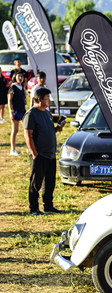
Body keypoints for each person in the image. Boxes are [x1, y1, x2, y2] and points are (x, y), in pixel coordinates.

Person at [23, 87, 65, 215]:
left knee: (49, 183)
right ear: (39, 99)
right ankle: (34, 208)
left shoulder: (47, 112)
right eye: (47, 98)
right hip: (39, 154)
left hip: (50, 154)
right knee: (36, 183)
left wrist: (58, 128)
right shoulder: (31, 114)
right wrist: (35, 154)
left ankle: (48, 206)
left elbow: (49, 129)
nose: (49, 100)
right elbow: (28, 135)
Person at [7, 73, 27, 156]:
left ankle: (29, 146)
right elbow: (9, 100)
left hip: (23, 111)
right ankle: (13, 149)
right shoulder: (13, 87)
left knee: (27, 129)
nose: (20, 78)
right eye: (19, 76)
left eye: (22, 76)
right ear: (15, 77)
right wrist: (10, 112)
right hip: (16, 111)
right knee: (15, 130)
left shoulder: (22, 87)